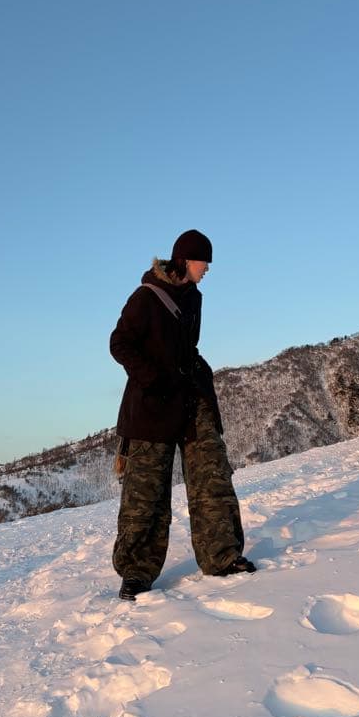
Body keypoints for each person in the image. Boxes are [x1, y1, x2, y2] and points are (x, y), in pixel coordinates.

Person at [110, 228, 255, 601]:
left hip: (191, 403)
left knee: (212, 480)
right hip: (151, 409)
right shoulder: (145, 297)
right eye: (203, 260)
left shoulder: (195, 298)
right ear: (185, 259)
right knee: (147, 495)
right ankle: (137, 573)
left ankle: (222, 557)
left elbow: (186, 347)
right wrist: (153, 378)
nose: (207, 268)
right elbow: (119, 342)